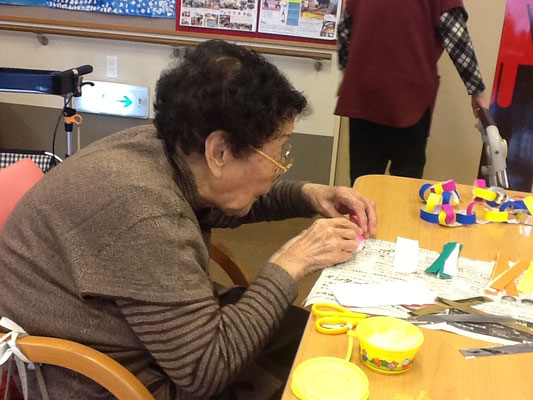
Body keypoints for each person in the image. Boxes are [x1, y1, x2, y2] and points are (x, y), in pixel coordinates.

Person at [0, 40, 377, 400]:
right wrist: (292, 261)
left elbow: (222, 200)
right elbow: (205, 374)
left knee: (313, 336)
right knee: (326, 370)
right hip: (111, 379)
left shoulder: (165, 145)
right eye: (279, 155)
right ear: (220, 152)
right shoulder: (144, 215)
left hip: (142, 335)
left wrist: (308, 195)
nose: (281, 167)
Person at [336, 0, 490, 185]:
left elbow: (344, 30)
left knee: (364, 181)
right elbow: (456, 39)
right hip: (409, 100)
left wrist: (348, 72)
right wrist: (477, 91)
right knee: (405, 182)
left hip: (362, 96)